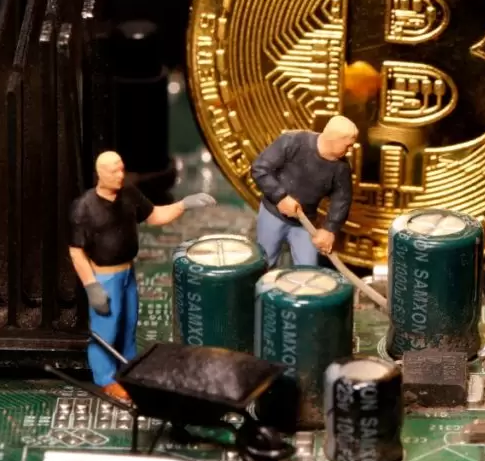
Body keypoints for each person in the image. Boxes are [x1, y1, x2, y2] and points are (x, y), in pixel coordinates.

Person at [70, 151, 215, 401]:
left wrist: (184, 204)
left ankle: (129, 371)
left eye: (121, 169)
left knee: (128, 325)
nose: (120, 175)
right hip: (104, 278)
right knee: (106, 331)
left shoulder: (129, 194)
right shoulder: (84, 207)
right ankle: (106, 379)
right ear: (100, 173)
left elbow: (155, 215)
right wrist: (91, 286)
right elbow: (76, 252)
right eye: (114, 171)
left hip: (127, 274)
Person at [250, 116, 358, 267]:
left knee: (308, 269)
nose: (350, 150)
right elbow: (260, 168)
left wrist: (329, 229)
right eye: (348, 145)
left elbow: (342, 200)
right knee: (264, 261)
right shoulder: (293, 141)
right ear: (333, 139)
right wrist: (280, 197)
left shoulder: (342, 168)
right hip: (273, 215)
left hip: (305, 223)